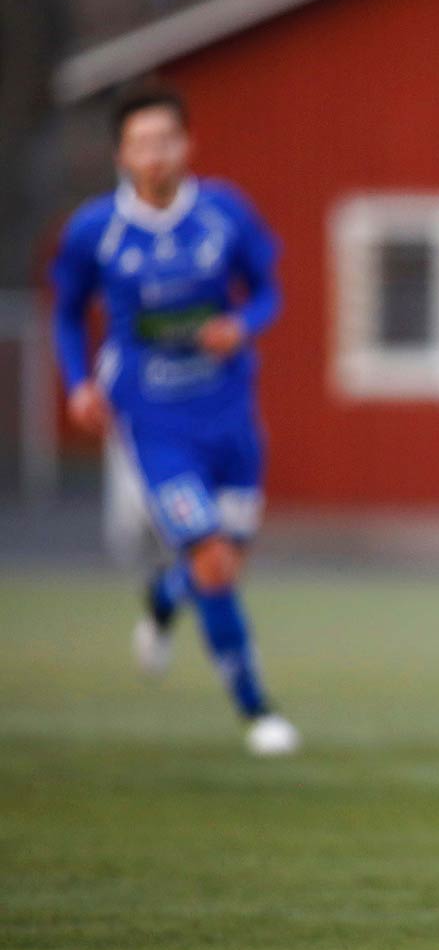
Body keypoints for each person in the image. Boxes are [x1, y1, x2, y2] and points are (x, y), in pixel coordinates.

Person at [51, 86, 299, 758]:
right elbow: (68, 314)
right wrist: (77, 385)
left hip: (231, 418)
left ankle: (163, 599)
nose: (155, 154)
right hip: (155, 422)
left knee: (222, 563)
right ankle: (258, 712)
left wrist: (239, 326)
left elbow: (270, 290)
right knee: (213, 560)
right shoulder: (94, 231)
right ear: (122, 154)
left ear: (187, 144)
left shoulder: (224, 214)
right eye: (141, 143)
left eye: (166, 140)